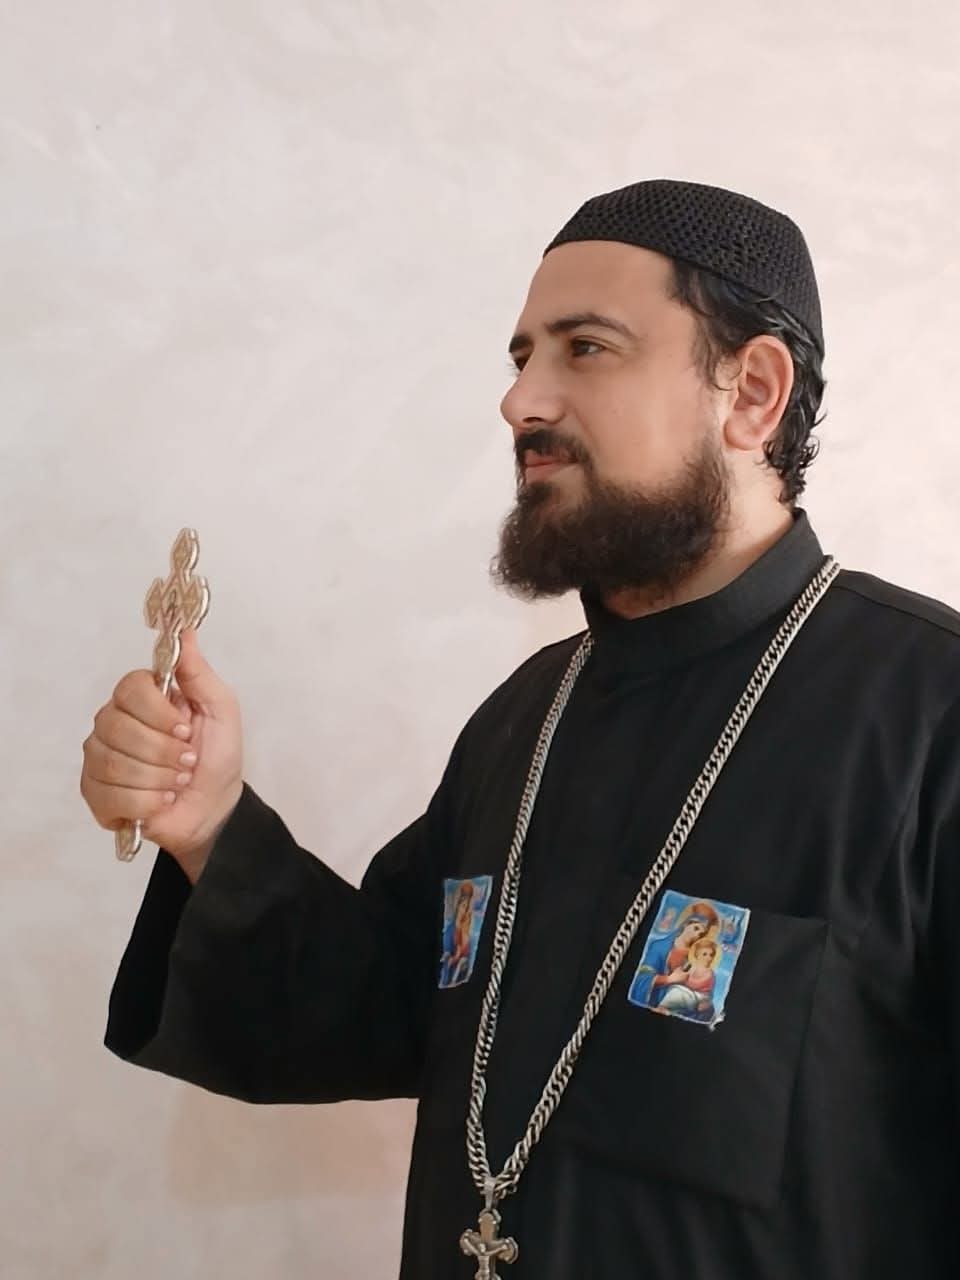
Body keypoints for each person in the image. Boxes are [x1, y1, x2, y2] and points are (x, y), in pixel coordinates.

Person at [81, 179, 960, 1278]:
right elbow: (375, 1007)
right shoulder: (524, 721)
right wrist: (209, 826)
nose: (520, 402)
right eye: (521, 356)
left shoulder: (929, 717)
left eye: (585, 348)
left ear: (751, 392)